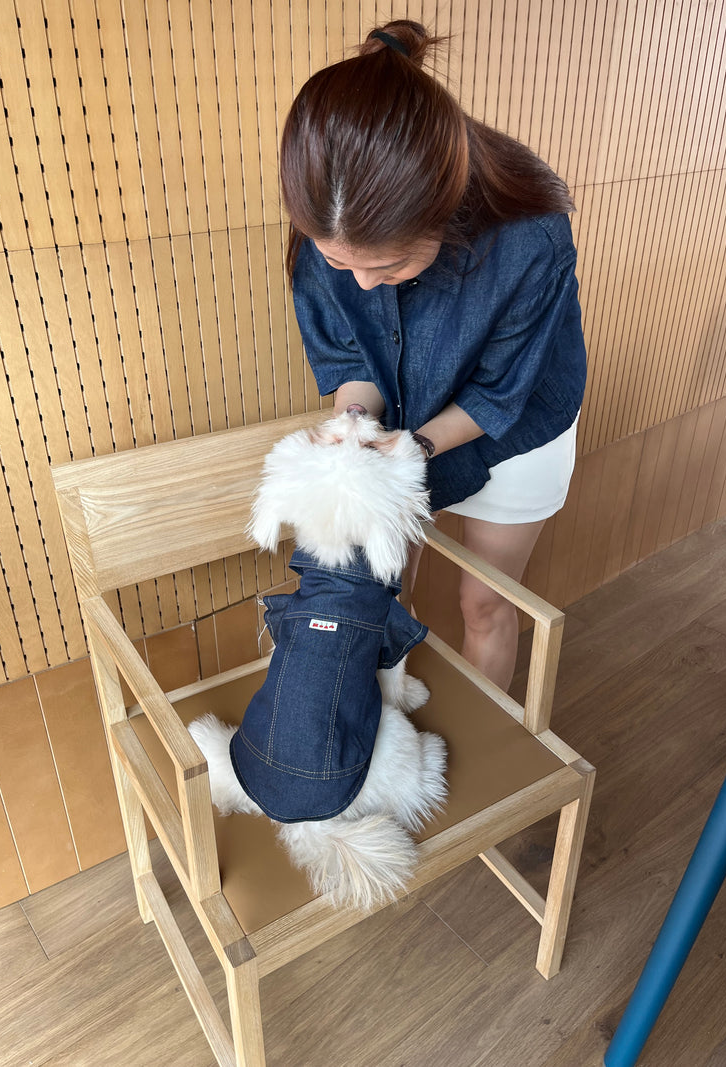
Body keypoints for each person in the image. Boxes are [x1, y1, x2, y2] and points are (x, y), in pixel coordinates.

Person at [278, 20, 586, 692]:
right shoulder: (329, 214)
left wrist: (414, 446)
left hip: (515, 426)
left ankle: (483, 744)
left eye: (389, 266)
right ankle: (394, 724)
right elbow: (353, 356)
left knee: (485, 603)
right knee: (387, 591)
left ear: (445, 215)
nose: (363, 284)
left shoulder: (529, 236)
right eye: (341, 265)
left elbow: (499, 393)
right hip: (405, 413)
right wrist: (355, 422)